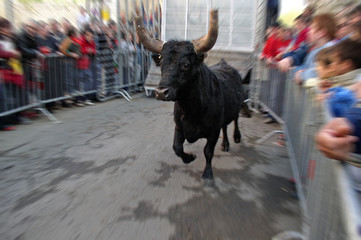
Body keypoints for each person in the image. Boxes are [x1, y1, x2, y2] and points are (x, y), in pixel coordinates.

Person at [293, 14, 336, 85]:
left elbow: (317, 73)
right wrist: (298, 71)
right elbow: (305, 66)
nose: (308, 32)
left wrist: (300, 75)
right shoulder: (314, 49)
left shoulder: (329, 49)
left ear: (321, 33)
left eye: (311, 29)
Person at [0, 17, 24, 130]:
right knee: (4, 97)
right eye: (8, 28)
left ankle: (10, 118)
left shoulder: (9, 39)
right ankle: (3, 122)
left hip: (10, 70)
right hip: (2, 71)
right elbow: (3, 53)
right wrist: (12, 53)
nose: (10, 30)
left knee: (9, 96)